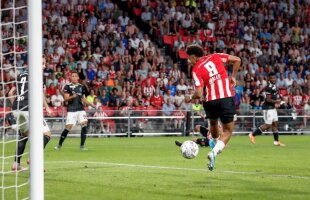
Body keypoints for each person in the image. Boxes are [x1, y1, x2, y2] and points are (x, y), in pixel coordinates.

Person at [186, 44, 241, 171]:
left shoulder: (196, 69)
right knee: (227, 130)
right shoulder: (216, 56)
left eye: (189, 58)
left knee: (214, 123)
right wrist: (232, 76)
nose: (189, 61)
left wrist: (190, 97)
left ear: (194, 57)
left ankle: (215, 142)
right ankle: (214, 151)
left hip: (210, 100)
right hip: (226, 97)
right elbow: (237, 60)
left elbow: (199, 94)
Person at [8, 70, 52, 171]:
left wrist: (15, 105)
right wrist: (47, 107)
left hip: (16, 108)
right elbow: (40, 93)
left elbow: (11, 93)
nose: (44, 65)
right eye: (43, 63)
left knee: (23, 136)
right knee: (47, 134)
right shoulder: (36, 74)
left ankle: (16, 164)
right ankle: (33, 159)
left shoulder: (20, 76)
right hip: (29, 108)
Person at [55, 72, 95, 151]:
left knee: (84, 126)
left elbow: (83, 99)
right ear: (70, 77)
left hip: (81, 109)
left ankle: (82, 146)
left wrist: (91, 104)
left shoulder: (81, 87)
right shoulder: (67, 86)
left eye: (75, 76)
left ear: (77, 78)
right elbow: (66, 98)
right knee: (68, 128)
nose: (74, 77)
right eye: (72, 76)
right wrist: (72, 96)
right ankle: (59, 145)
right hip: (71, 110)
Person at [249, 72, 285, 146]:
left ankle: (276, 141)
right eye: (272, 78)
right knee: (268, 125)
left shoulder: (274, 86)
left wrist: (280, 100)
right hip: (268, 108)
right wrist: (277, 101)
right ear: (268, 79)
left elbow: (275, 96)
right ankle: (252, 134)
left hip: (272, 108)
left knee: (275, 123)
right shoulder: (268, 87)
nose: (273, 79)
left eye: (274, 78)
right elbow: (268, 99)